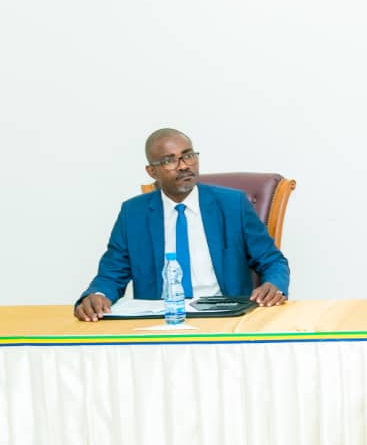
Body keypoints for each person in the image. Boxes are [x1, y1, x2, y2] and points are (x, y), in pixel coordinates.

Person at [75, 128, 290, 321]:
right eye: (170, 160)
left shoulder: (233, 204)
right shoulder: (134, 213)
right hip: (159, 320)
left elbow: (272, 260)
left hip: (223, 317)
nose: (184, 166)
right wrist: (98, 295)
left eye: (188, 156)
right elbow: (112, 273)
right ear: (152, 171)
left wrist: (274, 285)